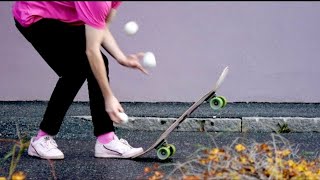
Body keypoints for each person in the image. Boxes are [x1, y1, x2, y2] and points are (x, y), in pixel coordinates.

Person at [12, 1, 148, 159]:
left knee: (98, 63)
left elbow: (100, 26)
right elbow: (92, 51)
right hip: (35, 14)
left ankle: (106, 140)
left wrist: (121, 57)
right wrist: (109, 97)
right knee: (75, 70)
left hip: (67, 16)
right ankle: (41, 139)